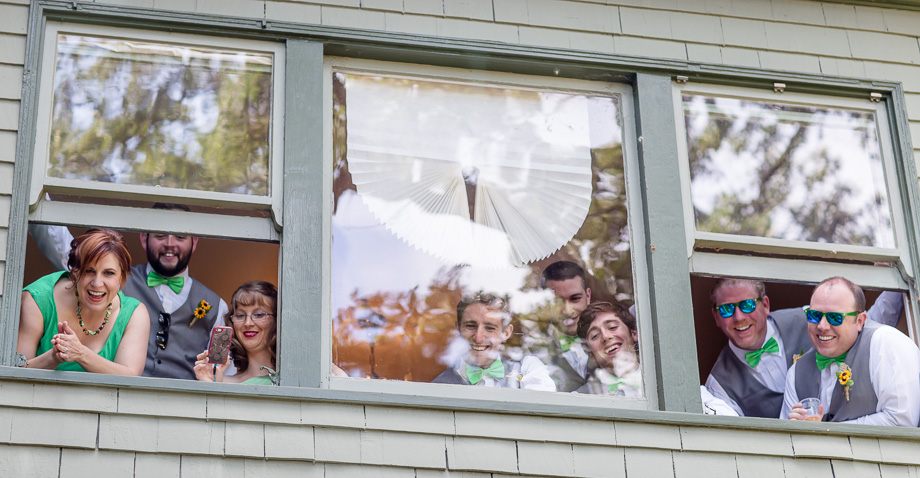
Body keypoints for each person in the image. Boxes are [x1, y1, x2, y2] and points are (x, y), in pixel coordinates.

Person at [706, 277, 902, 418]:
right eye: (726, 309)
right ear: (715, 317)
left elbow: (863, 327)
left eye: (747, 305)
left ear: (765, 305)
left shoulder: (812, 319)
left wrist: (894, 282)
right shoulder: (718, 384)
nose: (739, 317)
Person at [782, 277, 920, 425]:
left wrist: (825, 434)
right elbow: (785, 441)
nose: (822, 326)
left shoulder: (886, 343)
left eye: (835, 317)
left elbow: (902, 421)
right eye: (814, 315)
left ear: (860, 321)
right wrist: (794, 430)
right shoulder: (796, 372)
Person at [17, 229, 150, 375]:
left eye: (108, 273)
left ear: (122, 278)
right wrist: (54, 357)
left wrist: (81, 354)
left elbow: (130, 377)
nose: (97, 283)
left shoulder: (134, 314)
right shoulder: (38, 300)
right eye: (89, 271)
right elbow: (16, 372)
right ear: (75, 272)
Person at [432, 292, 555, 391]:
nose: (478, 337)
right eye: (470, 326)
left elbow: (545, 413)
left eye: (490, 328)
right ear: (458, 328)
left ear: (506, 333)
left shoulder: (527, 368)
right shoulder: (439, 386)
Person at [194, 281, 278, 384]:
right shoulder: (221, 382)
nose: (248, 323)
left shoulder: (289, 380)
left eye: (259, 314)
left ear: (277, 321)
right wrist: (210, 382)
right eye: (240, 315)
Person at [537, 261, 596, 391]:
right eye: (557, 301)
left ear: (588, 296)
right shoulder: (535, 345)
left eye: (575, 299)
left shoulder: (611, 334)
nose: (568, 310)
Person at [574, 301, 641, 397]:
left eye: (612, 327)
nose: (605, 336)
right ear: (591, 355)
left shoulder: (660, 378)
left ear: (634, 334)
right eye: (595, 336)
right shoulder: (581, 398)